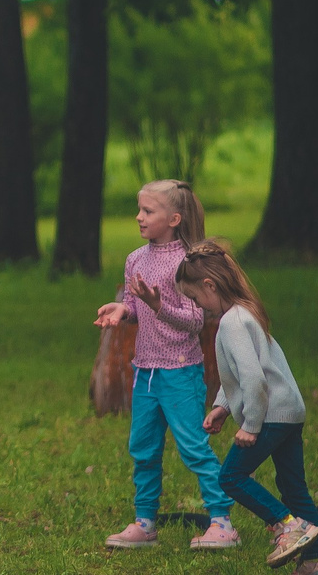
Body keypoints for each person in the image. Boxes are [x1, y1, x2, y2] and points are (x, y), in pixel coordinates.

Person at [178, 240, 318, 575]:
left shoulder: (232, 324)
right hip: (290, 412)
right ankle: (315, 567)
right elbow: (238, 374)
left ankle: (286, 526)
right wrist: (222, 406)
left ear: (210, 286)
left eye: (195, 298)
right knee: (294, 487)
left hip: (269, 416)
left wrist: (250, 425)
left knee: (231, 476)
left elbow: (253, 379)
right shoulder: (247, 312)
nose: (197, 307)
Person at [94, 179, 239, 551]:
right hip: (145, 372)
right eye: (139, 209)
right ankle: (145, 523)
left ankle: (222, 522)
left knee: (193, 447)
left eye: (148, 211)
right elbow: (133, 305)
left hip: (180, 371)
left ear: (174, 218)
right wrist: (123, 310)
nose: (139, 217)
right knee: (142, 448)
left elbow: (195, 322)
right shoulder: (135, 259)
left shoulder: (187, 263)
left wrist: (159, 306)